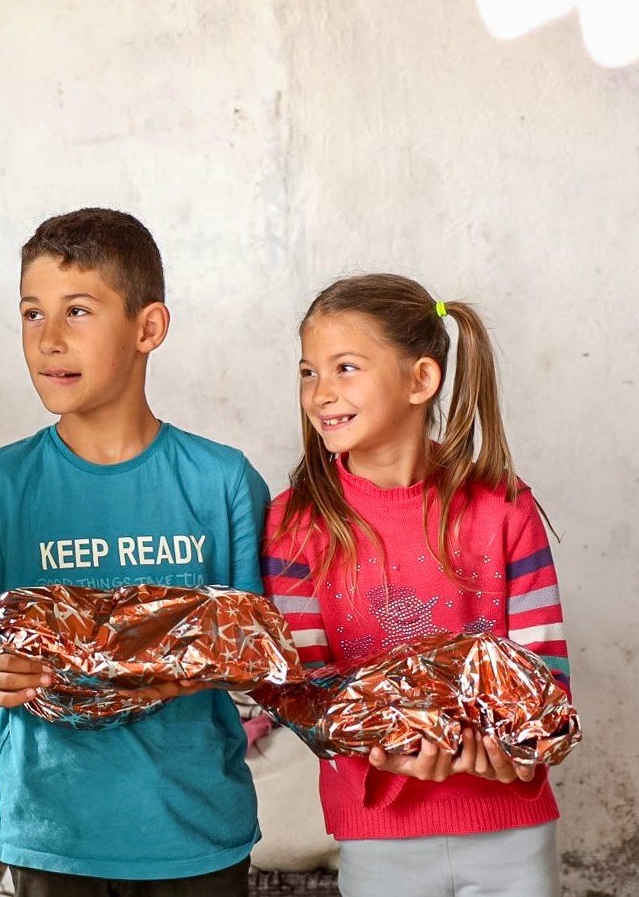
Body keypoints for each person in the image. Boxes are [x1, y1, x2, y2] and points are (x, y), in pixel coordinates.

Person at [0, 208, 268, 897]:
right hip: (53, 833)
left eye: (77, 311)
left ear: (147, 327)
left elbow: (254, 660)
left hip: (193, 832)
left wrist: (173, 669)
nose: (49, 339)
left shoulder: (222, 481)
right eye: (31, 314)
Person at [261, 274, 569, 897]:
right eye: (307, 372)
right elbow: (305, 690)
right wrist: (389, 744)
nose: (320, 393)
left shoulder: (505, 508)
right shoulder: (293, 525)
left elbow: (546, 677)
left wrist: (511, 743)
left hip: (511, 831)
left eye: (345, 368)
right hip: (378, 836)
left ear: (420, 380)